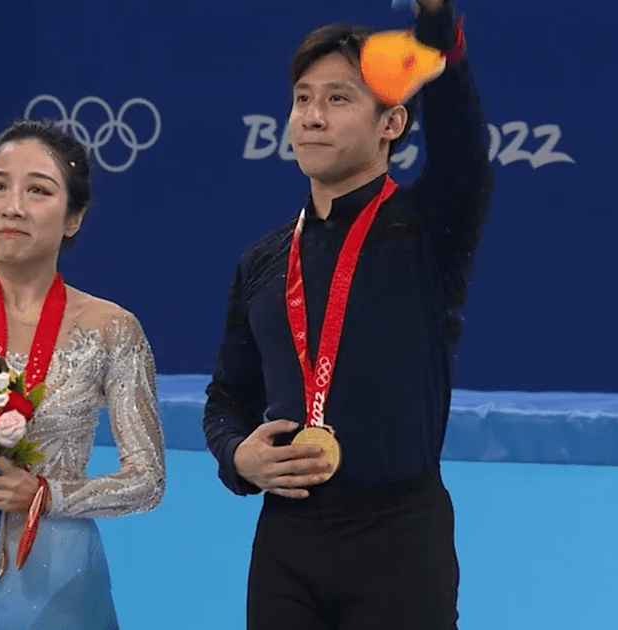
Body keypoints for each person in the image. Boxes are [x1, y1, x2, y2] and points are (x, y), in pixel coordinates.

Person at [201, 1, 493, 628]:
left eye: (338, 99)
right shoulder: (262, 261)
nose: (311, 117)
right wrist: (237, 458)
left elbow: (462, 146)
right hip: (287, 541)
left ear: (392, 121)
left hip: (400, 541)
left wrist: (436, 24)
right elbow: (227, 398)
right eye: (302, 99)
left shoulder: (429, 233)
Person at [0, 1, 166, 628]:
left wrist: (47, 493)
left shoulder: (111, 329)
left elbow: (147, 480)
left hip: (58, 569)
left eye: (38, 189)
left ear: (74, 217)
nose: (12, 204)